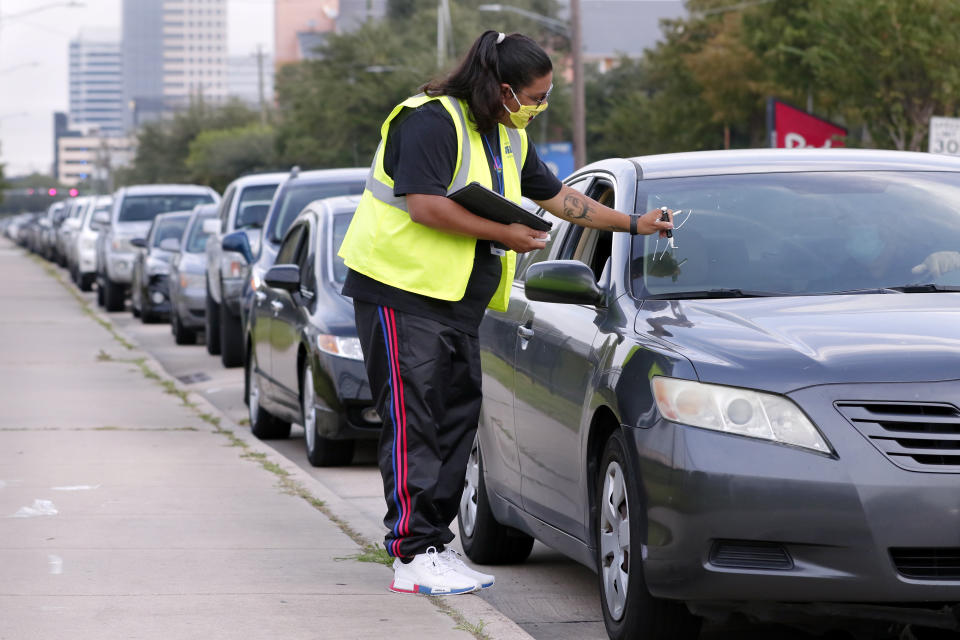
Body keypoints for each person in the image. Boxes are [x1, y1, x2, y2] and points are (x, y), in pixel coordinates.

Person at [338, 30, 674, 596]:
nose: (540, 106)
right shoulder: (428, 119)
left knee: (455, 420)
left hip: (459, 301)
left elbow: (562, 199)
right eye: (536, 96)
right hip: (400, 291)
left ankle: (435, 544)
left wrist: (633, 224)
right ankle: (410, 552)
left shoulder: (505, 136)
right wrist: (507, 234)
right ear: (503, 88)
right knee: (413, 420)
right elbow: (424, 206)